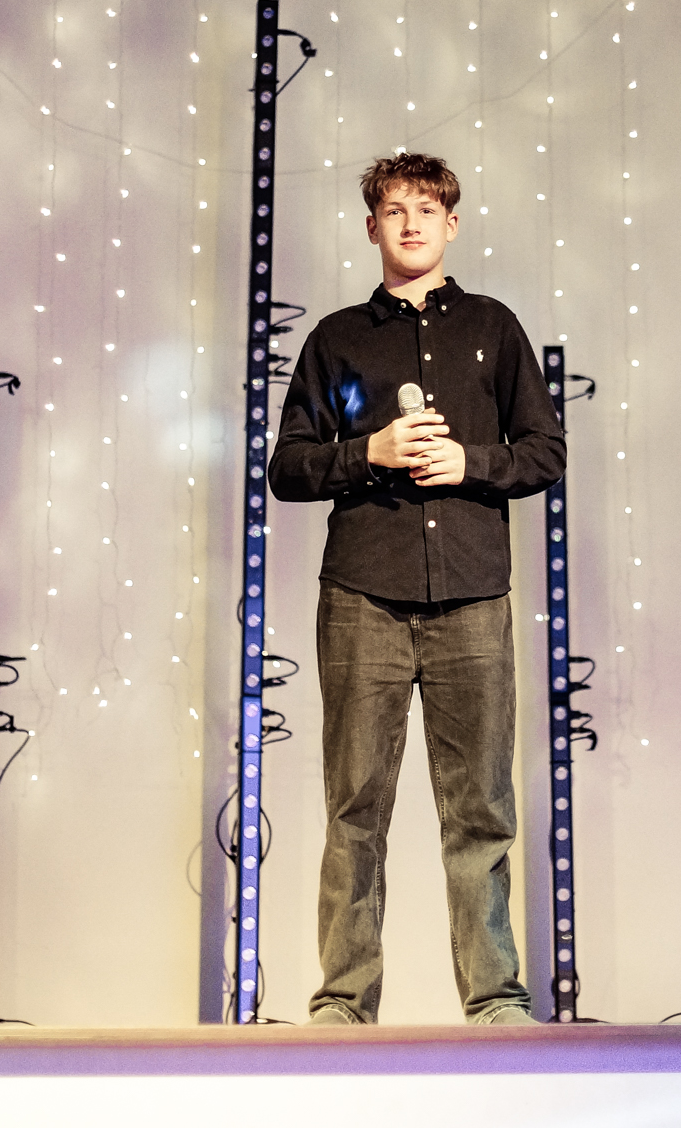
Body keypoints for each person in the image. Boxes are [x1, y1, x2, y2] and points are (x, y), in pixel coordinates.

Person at [269, 152, 565, 1026]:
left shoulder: (493, 328)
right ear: (371, 227)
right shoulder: (337, 338)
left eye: (426, 210)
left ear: (451, 224)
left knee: (481, 811)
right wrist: (371, 454)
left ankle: (496, 1000)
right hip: (363, 594)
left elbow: (545, 452)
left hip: (472, 594)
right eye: (394, 210)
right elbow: (288, 467)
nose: (410, 224)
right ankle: (343, 1002)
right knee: (355, 809)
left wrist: (468, 462)